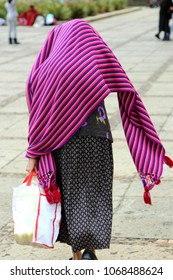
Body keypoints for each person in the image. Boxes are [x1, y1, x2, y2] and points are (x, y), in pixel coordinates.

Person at [25, 19, 172, 260]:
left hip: (63, 142)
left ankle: (75, 254)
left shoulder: (47, 69)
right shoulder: (93, 58)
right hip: (98, 138)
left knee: (70, 194)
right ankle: (90, 252)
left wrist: (33, 150)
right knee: (95, 193)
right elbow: (124, 84)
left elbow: (38, 108)